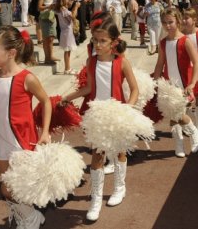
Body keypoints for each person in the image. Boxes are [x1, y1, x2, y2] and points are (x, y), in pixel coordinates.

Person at [59, 16, 138, 222]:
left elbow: (135, 89)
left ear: (113, 42)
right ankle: (95, 200)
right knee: (97, 156)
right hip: (98, 116)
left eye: (102, 41)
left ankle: (119, 188)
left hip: (117, 114)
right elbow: (89, 88)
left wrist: (128, 107)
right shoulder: (91, 61)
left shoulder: (122, 62)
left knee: (120, 151)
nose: (98, 44)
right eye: (95, 40)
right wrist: (69, 97)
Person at [0, 25, 51, 228]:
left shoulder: (27, 78)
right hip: (2, 138)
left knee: (17, 187)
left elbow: (45, 101)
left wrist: (45, 132)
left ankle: (29, 219)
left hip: (22, 139)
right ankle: (30, 217)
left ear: (11, 53)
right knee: (9, 187)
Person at [153, 7, 198, 157]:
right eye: (164, 23)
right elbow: (160, 63)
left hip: (184, 85)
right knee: (173, 117)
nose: (167, 26)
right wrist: (155, 83)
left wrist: (192, 84)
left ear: (178, 21)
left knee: (178, 114)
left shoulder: (185, 41)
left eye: (170, 22)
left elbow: (196, 63)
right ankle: (179, 144)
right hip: (169, 86)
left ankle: (193, 132)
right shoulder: (163, 43)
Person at [55, 0, 79, 74]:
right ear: (63, 0)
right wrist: (76, 7)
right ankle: (67, 68)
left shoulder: (62, 9)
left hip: (66, 31)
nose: (69, 0)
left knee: (68, 50)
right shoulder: (64, 10)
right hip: (67, 32)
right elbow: (73, 17)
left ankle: (68, 67)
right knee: (67, 50)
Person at [37, 0, 59, 64]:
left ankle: (50, 56)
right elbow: (39, 7)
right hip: (45, 18)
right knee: (47, 38)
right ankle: (48, 58)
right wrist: (49, 6)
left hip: (52, 17)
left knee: (51, 38)